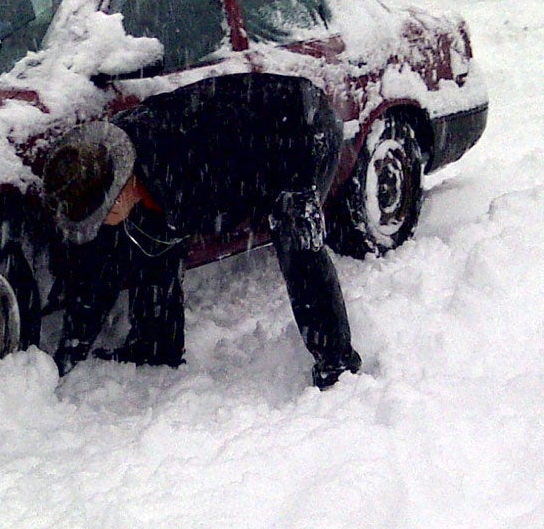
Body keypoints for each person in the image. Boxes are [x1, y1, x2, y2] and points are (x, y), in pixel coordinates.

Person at [41, 72, 363, 389]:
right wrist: (69, 352)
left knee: (298, 241)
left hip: (300, 130)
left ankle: (337, 363)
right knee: (154, 238)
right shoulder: (112, 159)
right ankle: (155, 346)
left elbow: (229, 198)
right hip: (239, 133)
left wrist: (274, 203)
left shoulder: (183, 173)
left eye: (98, 217)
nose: (97, 227)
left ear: (117, 197)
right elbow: (102, 271)